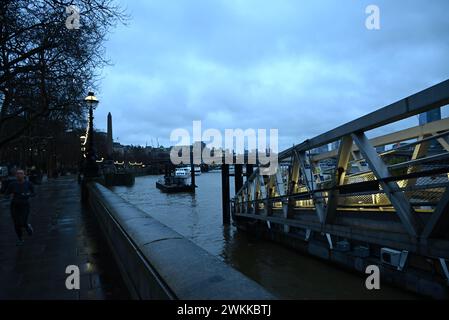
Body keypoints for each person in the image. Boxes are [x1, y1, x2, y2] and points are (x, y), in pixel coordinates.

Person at [5, 169, 35, 246]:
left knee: (23, 222)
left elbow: (34, 193)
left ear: (24, 175)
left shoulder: (28, 183)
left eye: (21, 173)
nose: (19, 175)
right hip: (14, 206)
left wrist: (28, 194)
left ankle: (27, 226)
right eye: (17, 174)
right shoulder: (12, 184)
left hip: (25, 205)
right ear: (15, 175)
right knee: (16, 223)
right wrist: (8, 196)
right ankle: (20, 239)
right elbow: (6, 194)